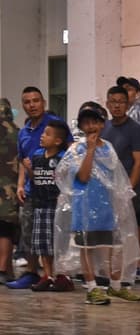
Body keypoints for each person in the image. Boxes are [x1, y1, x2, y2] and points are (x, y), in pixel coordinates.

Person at [52, 102, 140, 305]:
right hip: (84, 208)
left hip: (107, 208)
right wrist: (90, 150)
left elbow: (117, 176)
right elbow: (83, 177)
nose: (91, 126)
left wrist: (122, 201)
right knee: (86, 248)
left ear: (102, 124)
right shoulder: (77, 149)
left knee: (115, 247)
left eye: (95, 122)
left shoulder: (109, 147)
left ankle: (116, 285)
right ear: (81, 127)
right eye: (86, 123)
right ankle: (92, 287)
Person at [9, 86, 62, 289]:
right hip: (32, 190)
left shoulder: (55, 125)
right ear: (23, 105)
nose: (32, 105)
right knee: (29, 231)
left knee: (52, 234)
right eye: (27, 102)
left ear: (43, 102)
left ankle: (55, 275)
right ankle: (31, 272)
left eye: (36, 100)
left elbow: (68, 153)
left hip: (53, 192)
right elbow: (24, 161)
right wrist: (20, 185)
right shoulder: (23, 132)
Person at [101, 85, 140, 295]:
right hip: (106, 188)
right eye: (113, 102)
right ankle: (108, 273)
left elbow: (138, 163)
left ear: (127, 104)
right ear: (107, 104)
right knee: (107, 233)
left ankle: (128, 273)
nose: (117, 106)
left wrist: (128, 189)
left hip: (127, 188)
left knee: (126, 233)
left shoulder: (136, 130)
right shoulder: (104, 127)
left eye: (121, 102)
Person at [26, 120, 74, 291]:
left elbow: (68, 181)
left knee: (58, 243)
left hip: (56, 206)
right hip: (40, 205)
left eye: (47, 134)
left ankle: (63, 276)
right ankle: (48, 275)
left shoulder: (63, 158)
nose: (42, 136)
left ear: (58, 141)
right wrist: (29, 169)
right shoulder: (37, 156)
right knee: (43, 243)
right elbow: (34, 178)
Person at [0, 101, 18, 282]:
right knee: (7, 228)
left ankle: (3, 269)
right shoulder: (18, 132)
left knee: (3, 229)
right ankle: (6, 269)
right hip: (13, 187)